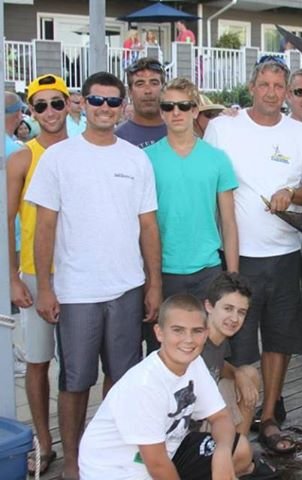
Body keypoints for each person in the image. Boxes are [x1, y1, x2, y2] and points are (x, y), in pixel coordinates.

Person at [25, 72, 162, 479]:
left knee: (120, 382)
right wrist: (46, 288)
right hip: (76, 291)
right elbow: (45, 226)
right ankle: (73, 462)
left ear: (123, 106)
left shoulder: (136, 158)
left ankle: (111, 456)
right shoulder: (58, 157)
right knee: (74, 381)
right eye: (96, 101)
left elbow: (149, 226)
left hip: (126, 288)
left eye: (112, 101)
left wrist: (153, 283)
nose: (105, 108)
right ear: (80, 104)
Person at [204, 56, 302, 455]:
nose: (271, 92)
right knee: (238, 344)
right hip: (236, 255)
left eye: (278, 86)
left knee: (279, 341)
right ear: (251, 87)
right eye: (264, 84)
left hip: (286, 254)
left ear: (286, 92)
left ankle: (268, 417)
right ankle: (239, 425)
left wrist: (293, 194)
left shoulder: (301, 134)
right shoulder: (222, 127)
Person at [79, 294, 279, 479]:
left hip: (170, 450)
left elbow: (220, 417)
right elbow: (156, 465)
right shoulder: (144, 384)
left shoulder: (194, 363)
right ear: (159, 333)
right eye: (178, 330)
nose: (188, 340)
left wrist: (222, 454)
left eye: (197, 331)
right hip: (119, 470)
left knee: (240, 449)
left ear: (206, 333)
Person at [144, 78, 239, 353]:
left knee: (209, 352)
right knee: (161, 352)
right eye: (169, 106)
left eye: (184, 106)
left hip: (207, 270)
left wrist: (231, 278)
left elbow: (229, 223)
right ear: (161, 111)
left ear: (196, 110)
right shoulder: (145, 159)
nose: (176, 112)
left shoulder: (217, 159)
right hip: (162, 271)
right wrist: (150, 279)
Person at [6, 74, 70, 476]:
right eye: (40, 105)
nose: (49, 112)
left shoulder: (86, 149)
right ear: (30, 111)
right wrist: (12, 278)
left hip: (80, 274)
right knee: (37, 362)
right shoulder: (22, 157)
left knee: (78, 366)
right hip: (34, 273)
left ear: (69, 105)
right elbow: (5, 219)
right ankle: (44, 443)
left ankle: (79, 443)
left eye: (56, 103)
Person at [201, 272, 261, 436]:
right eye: (228, 309)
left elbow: (218, 363)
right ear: (209, 306)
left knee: (249, 374)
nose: (234, 318)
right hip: (190, 421)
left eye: (241, 312)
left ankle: (239, 442)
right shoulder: (196, 342)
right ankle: (232, 450)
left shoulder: (220, 336)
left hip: (208, 407)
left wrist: (238, 373)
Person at [116, 57, 167, 148]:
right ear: (130, 93)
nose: (148, 90)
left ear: (164, 89)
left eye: (154, 83)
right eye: (140, 84)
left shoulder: (180, 134)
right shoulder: (117, 139)